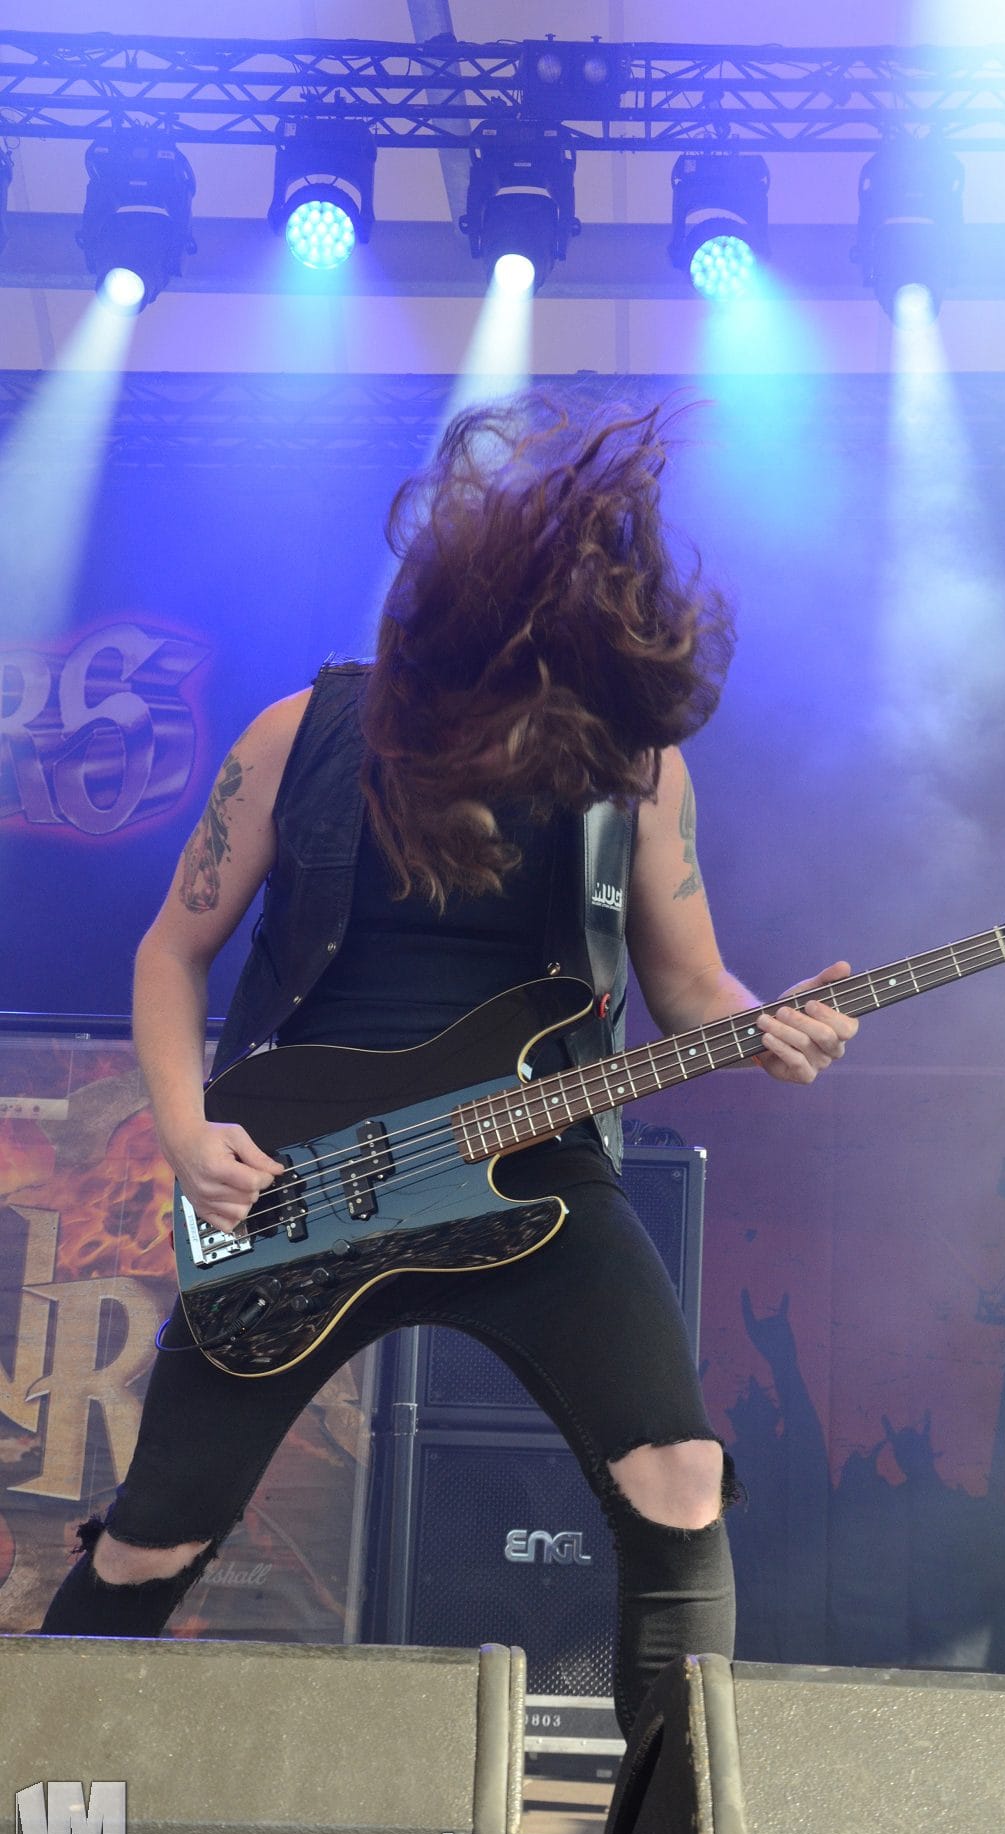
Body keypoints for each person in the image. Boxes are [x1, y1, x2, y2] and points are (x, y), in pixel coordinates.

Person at [39, 397, 858, 1736]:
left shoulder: (636, 768)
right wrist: (185, 1134)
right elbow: (171, 953)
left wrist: (772, 1024)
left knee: (679, 1477)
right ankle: (29, 1805)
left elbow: (693, 986)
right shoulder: (299, 735)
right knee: (153, 1540)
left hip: (539, 1169)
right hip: (301, 1181)